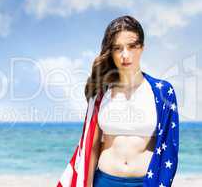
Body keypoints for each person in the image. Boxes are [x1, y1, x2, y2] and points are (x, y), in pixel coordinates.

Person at [56, 15, 179, 187]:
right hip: (105, 181)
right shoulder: (101, 93)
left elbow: (170, 149)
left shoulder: (162, 91)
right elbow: (91, 147)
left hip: (145, 183)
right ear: (110, 51)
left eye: (132, 46)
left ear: (142, 47)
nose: (125, 55)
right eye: (117, 48)